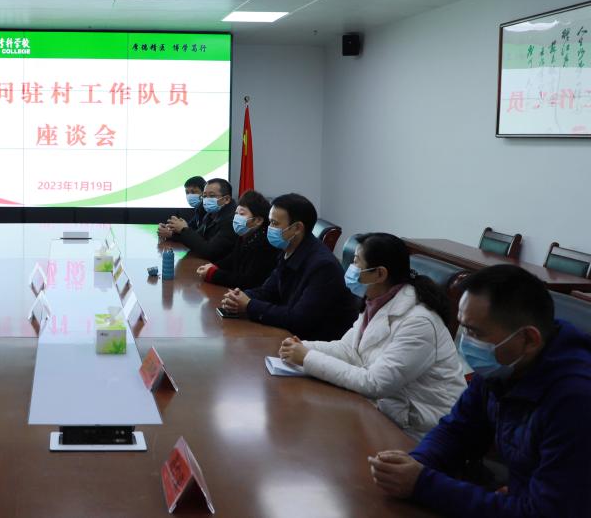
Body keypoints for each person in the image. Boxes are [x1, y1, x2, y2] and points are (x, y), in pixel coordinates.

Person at [369, 264, 591, 517]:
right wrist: (414, 464)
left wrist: (423, 483)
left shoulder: (576, 400)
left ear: (529, 339)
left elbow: (546, 513)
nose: (465, 341)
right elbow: (457, 430)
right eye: (463, 327)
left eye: (475, 332)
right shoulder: (504, 366)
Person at [278, 233, 466, 438]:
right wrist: (302, 347)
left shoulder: (419, 322)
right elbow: (348, 349)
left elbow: (375, 383)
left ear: (380, 274)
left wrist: (307, 357)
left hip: (424, 431)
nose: (350, 268)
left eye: (356, 262)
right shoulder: (377, 300)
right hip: (388, 410)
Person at [220, 193, 356, 340]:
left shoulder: (323, 266)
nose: (269, 228)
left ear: (297, 228)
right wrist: (239, 297)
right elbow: (268, 291)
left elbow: (298, 319)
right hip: (291, 337)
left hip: (315, 343)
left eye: (274, 223)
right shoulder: (289, 250)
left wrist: (249, 305)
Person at [195, 190, 278, 290]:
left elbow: (248, 281)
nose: (236, 218)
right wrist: (214, 266)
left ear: (258, 220)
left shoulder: (265, 244)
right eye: (236, 213)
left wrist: (213, 274)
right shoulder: (245, 235)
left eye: (241, 214)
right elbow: (233, 258)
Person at [165, 177, 238, 262]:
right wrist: (174, 232)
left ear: (226, 199)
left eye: (212, 196)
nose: (206, 200)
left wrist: (184, 230)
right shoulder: (210, 215)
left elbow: (209, 252)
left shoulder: (232, 221)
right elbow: (198, 238)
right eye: (204, 196)